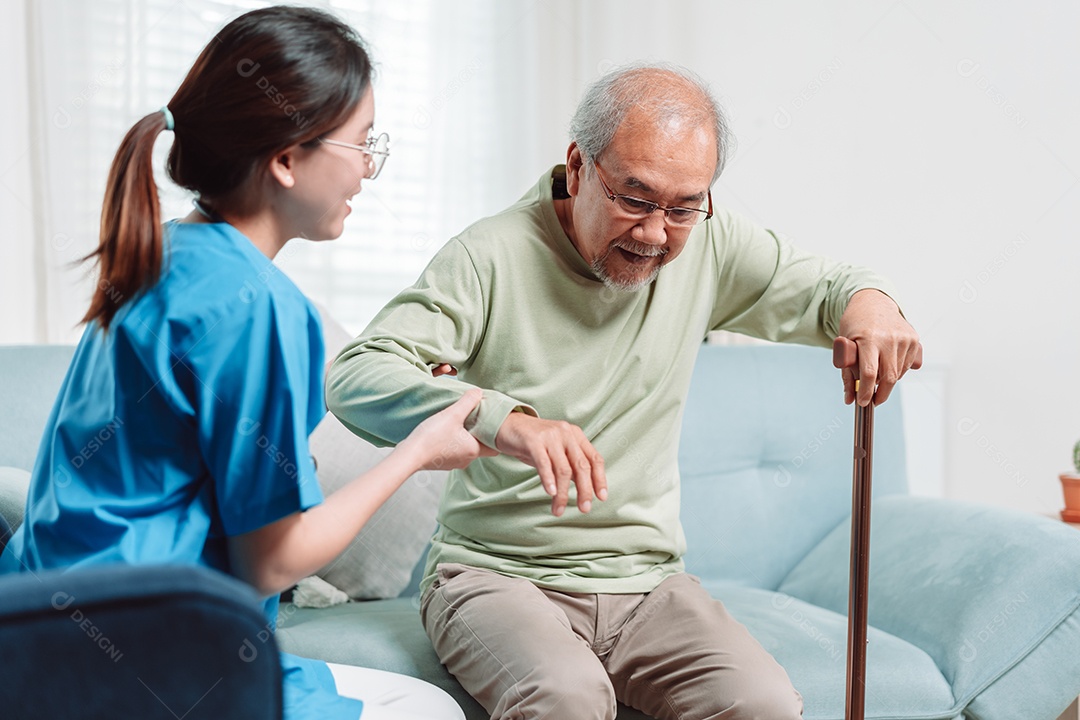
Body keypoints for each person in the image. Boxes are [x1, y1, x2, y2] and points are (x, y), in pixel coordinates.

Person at [326, 63, 921, 720]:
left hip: (648, 586)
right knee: (567, 697)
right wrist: (505, 421)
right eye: (634, 199)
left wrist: (873, 306)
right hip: (495, 574)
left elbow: (834, 288)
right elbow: (357, 374)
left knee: (762, 704)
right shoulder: (488, 255)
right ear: (578, 166)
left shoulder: (709, 245)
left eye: (684, 207)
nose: (655, 233)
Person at [0, 7, 490, 720]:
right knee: (431, 710)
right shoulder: (260, 306)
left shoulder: (159, 252)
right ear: (286, 160)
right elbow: (273, 562)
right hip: (149, 662)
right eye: (361, 143)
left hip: (38, 639)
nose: (367, 167)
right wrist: (416, 453)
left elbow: (192, 449)